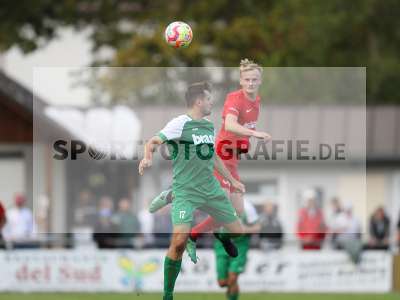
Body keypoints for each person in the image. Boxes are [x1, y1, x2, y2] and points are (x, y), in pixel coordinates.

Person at [148, 59, 271, 259]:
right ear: (241, 80)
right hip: (220, 155)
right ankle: (174, 197)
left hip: (233, 161)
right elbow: (230, 125)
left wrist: (246, 141)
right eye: (247, 79)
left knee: (238, 211)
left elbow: (244, 129)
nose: (250, 83)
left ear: (260, 81)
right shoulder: (234, 99)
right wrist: (254, 135)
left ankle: (210, 235)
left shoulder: (256, 101)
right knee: (215, 203)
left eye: (254, 79)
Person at [138, 82, 245, 300]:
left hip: (210, 189)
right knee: (178, 242)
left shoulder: (209, 126)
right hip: (186, 191)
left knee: (237, 232)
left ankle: (221, 235)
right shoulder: (180, 123)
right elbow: (154, 141)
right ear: (198, 101)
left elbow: (213, 157)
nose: (211, 102)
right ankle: (168, 295)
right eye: (208, 98)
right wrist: (147, 157)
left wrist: (231, 180)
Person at [215, 199, 260, 300]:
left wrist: (244, 229)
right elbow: (211, 225)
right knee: (222, 283)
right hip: (222, 245)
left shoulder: (247, 207)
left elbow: (257, 227)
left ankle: (232, 296)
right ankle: (231, 290)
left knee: (232, 278)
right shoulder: (218, 204)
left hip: (240, 246)